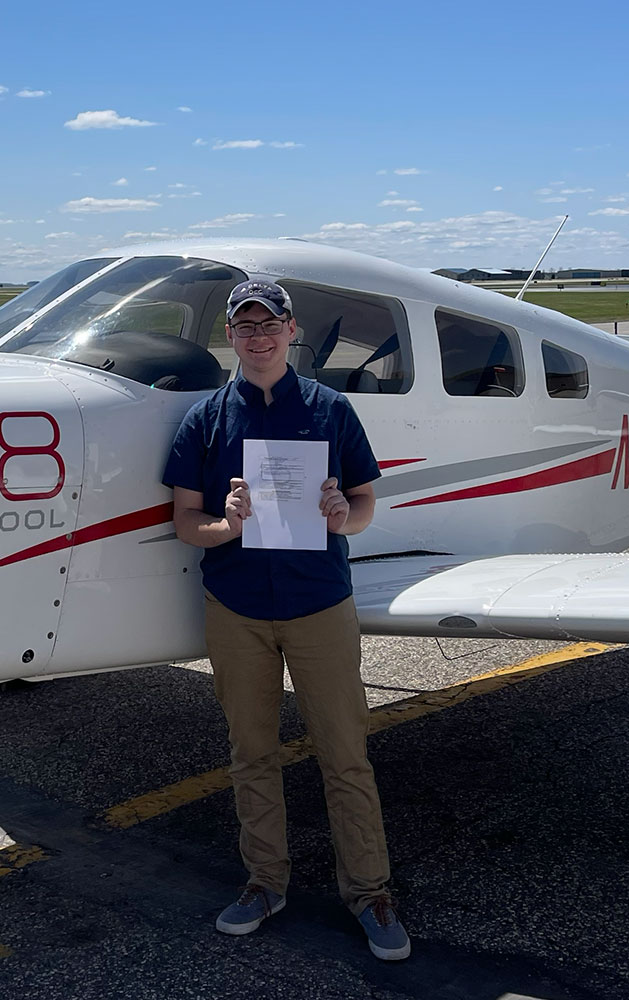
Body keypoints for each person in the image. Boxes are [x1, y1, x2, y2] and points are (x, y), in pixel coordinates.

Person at [162, 279, 410, 962]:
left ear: (290, 329)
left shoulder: (331, 410)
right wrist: (227, 523)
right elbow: (187, 523)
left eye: (268, 324)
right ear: (232, 338)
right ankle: (264, 882)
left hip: (319, 606)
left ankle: (369, 892)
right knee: (252, 754)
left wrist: (341, 516)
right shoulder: (206, 420)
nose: (258, 337)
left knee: (345, 753)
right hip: (236, 610)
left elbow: (362, 504)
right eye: (245, 327)